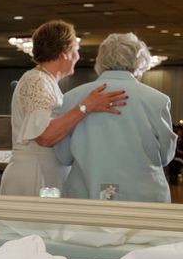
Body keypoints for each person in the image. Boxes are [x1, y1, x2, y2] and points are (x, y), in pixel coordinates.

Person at [0, 20, 127, 196]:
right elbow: (44, 136)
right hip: (35, 174)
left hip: (46, 171)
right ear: (63, 54)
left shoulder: (46, 81)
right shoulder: (36, 81)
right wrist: (86, 106)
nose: (78, 56)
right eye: (76, 49)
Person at [55, 33, 175, 202]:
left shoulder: (72, 97)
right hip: (143, 196)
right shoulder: (158, 100)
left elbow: (63, 156)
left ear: (101, 60)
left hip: (86, 194)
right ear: (140, 63)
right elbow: (165, 156)